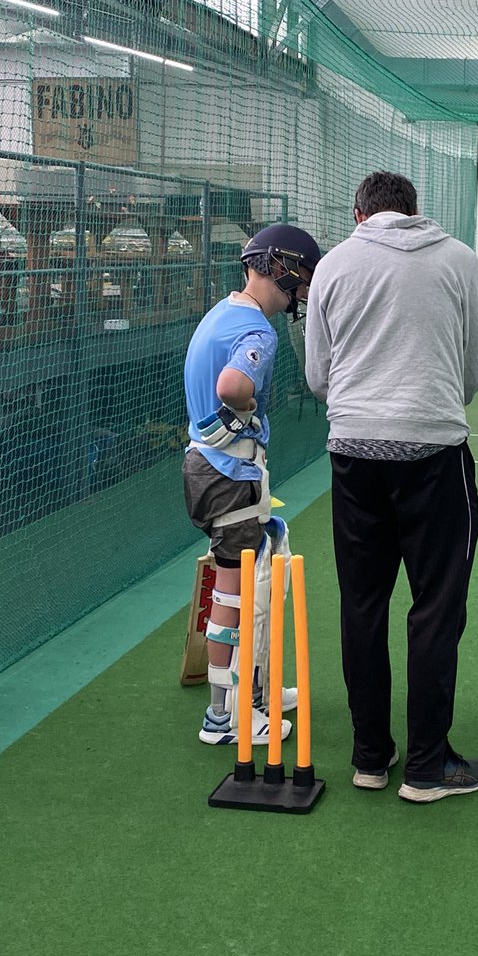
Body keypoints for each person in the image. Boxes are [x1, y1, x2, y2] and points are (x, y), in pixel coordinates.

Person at [304, 171, 478, 803]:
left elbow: (318, 375)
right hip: (435, 452)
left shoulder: (332, 265)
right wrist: (425, 409)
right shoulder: (459, 260)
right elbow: (471, 369)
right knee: (436, 608)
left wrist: (366, 410)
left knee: (362, 603)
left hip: (353, 454)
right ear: (414, 211)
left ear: (360, 214)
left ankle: (369, 758)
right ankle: (428, 768)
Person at [183, 223, 322, 745]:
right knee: (242, 590)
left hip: (207, 466)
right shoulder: (258, 331)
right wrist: (240, 411)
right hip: (228, 472)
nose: (301, 291)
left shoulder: (222, 313)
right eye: (301, 276)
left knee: (246, 576)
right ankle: (227, 715)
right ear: (279, 266)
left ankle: (254, 689)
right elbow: (232, 384)